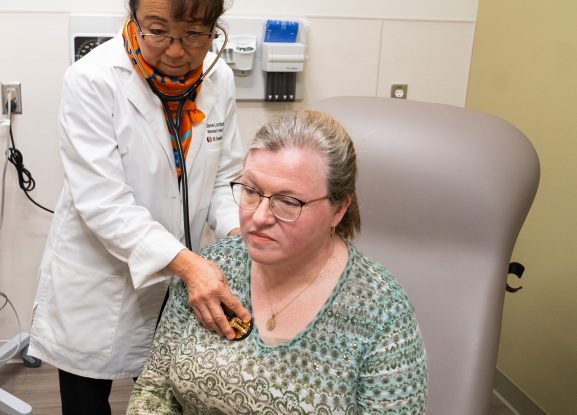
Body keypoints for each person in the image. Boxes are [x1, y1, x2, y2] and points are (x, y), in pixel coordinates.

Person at [27, 0, 250, 413]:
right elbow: (104, 202)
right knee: (86, 404)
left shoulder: (219, 78)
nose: (176, 51)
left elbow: (225, 179)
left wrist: (242, 234)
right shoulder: (92, 79)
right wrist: (189, 265)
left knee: (164, 399)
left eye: (193, 34)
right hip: (98, 280)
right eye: (158, 31)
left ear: (213, 28)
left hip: (176, 280)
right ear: (133, 17)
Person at [127, 110, 428, 414]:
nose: (258, 217)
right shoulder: (211, 271)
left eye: (288, 202)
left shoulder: (382, 312)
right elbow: (154, 390)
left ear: (338, 210)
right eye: (251, 191)